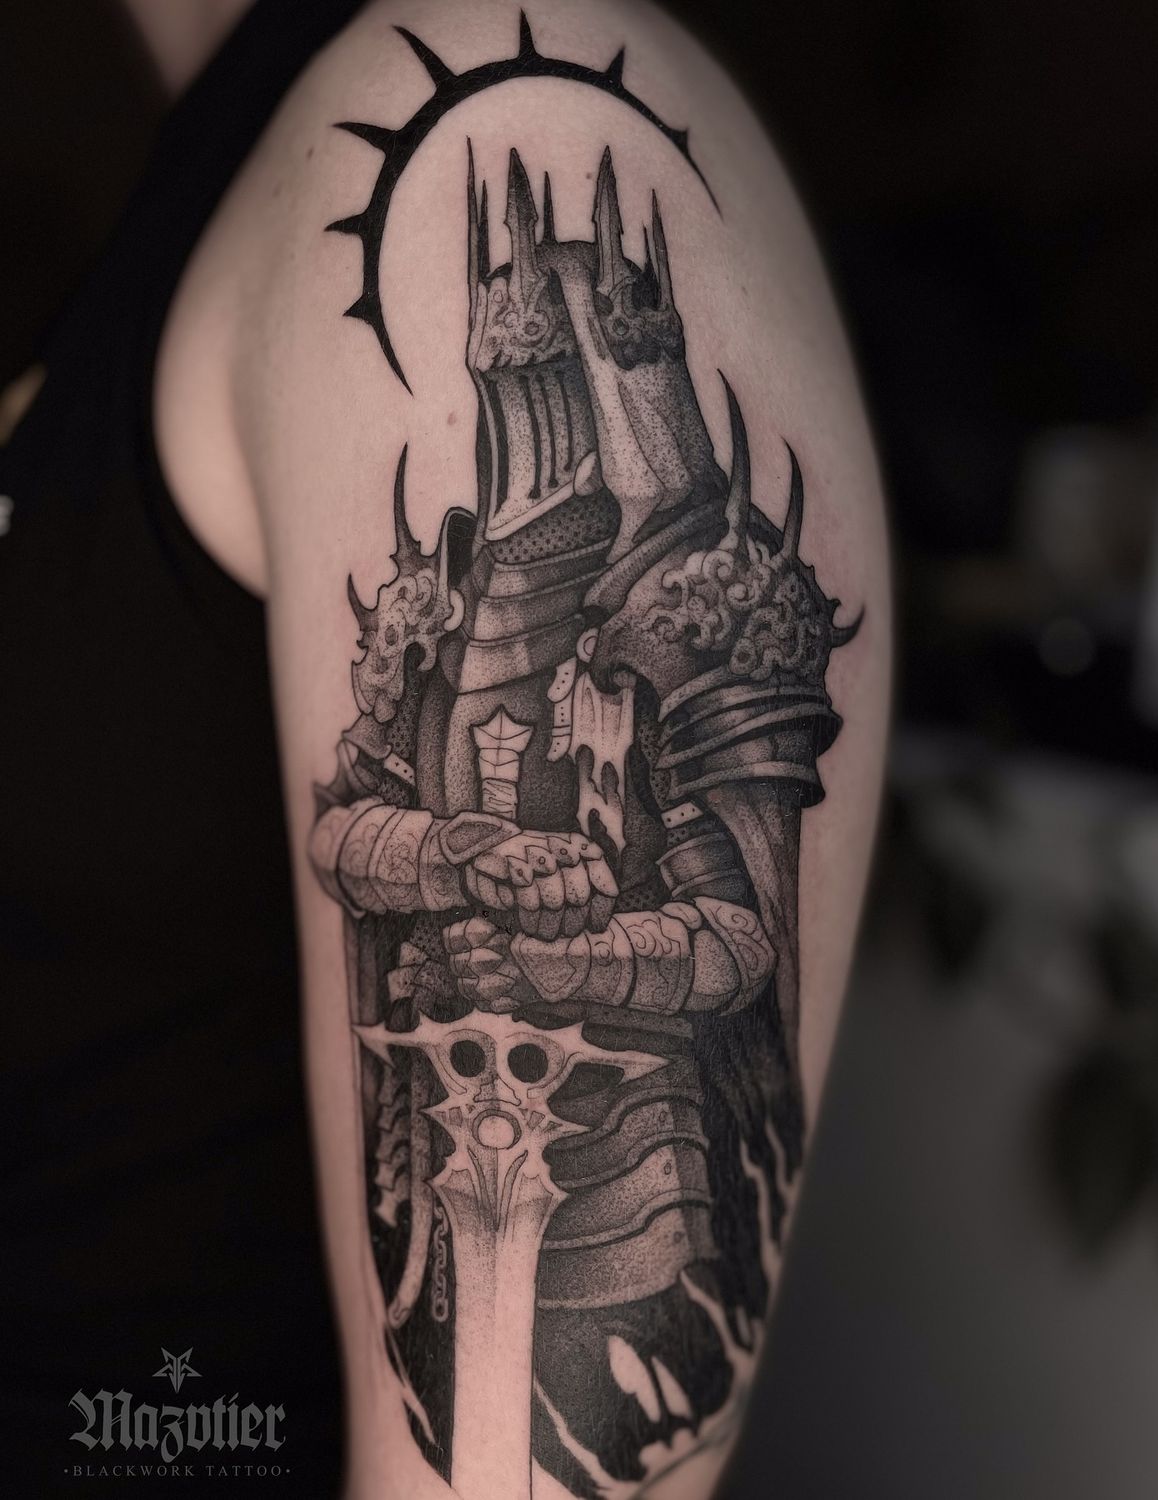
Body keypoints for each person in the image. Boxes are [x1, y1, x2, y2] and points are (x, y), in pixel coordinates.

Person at [0, 2, 889, 1495]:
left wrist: (563, 956)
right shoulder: (194, 188)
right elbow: (350, 825)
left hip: (569, 1200)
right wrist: (463, 852)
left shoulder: (505, 90)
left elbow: (734, 931)